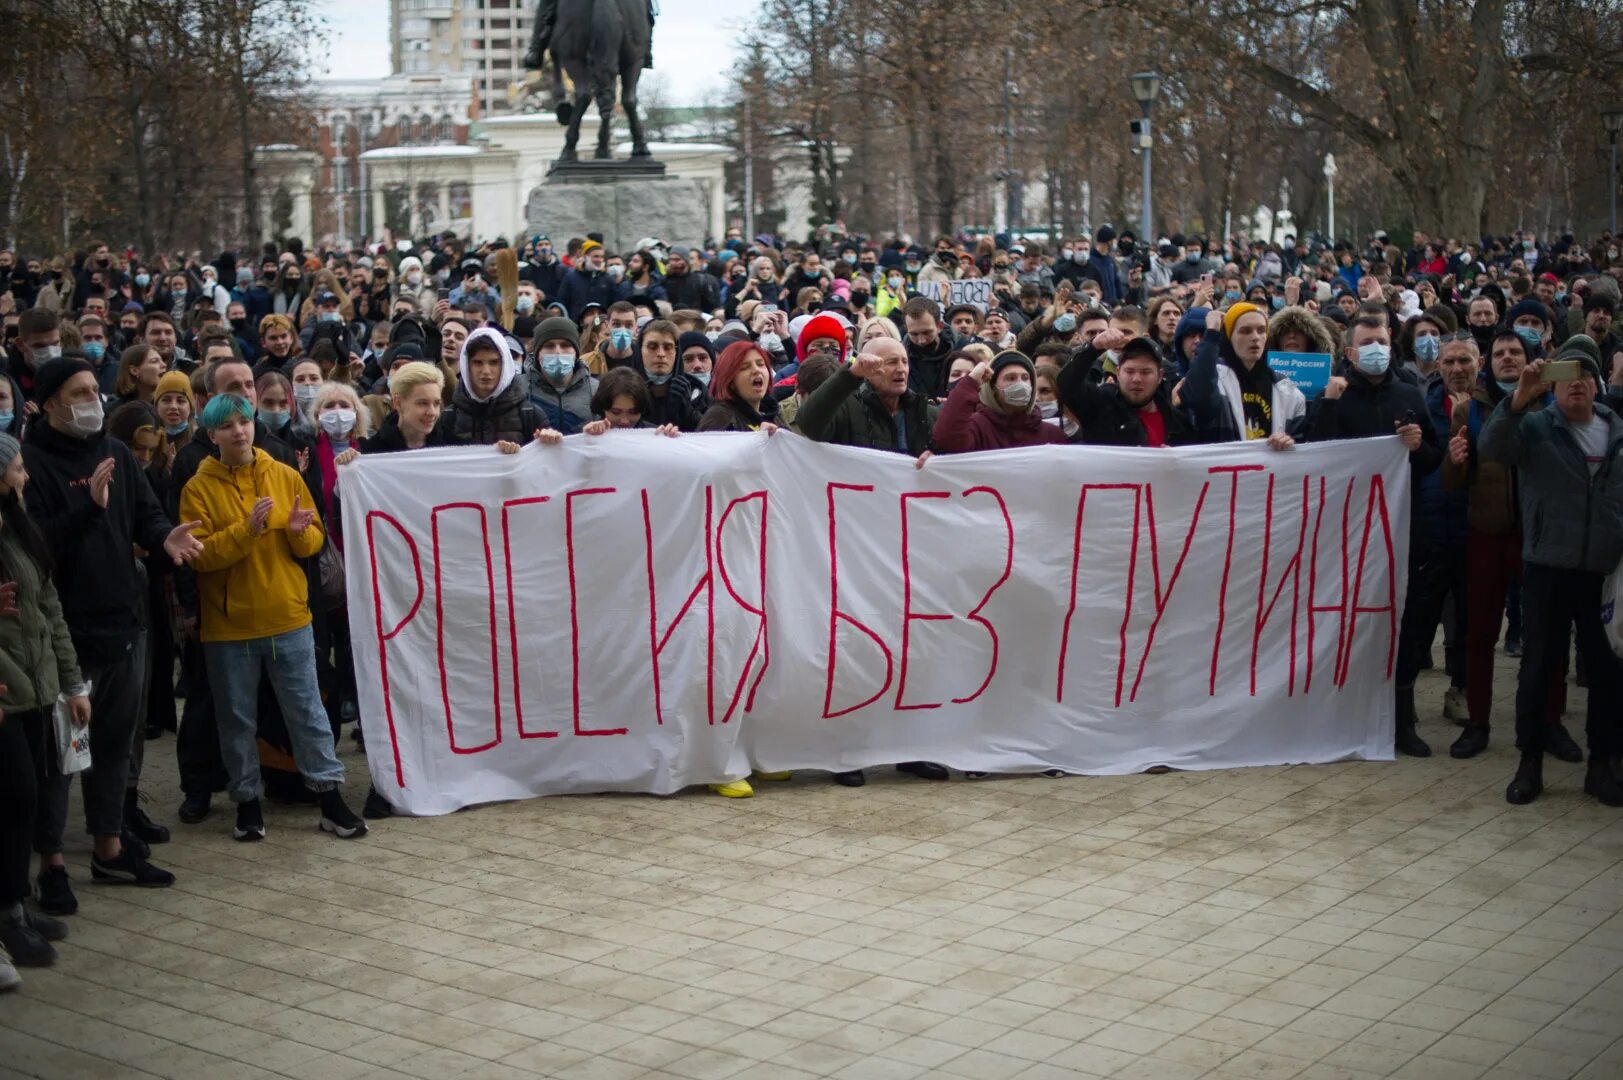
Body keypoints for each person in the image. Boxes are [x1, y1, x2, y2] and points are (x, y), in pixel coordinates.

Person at [23, 357, 203, 899]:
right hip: (67, 640)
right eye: (77, 393)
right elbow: (35, 547)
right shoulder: (31, 464)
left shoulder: (118, 453)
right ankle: (52, 862)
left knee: (115, 745)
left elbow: (146, 516)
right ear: (51, 403)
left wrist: (164, 540)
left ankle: (109, 850)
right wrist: (88, 507)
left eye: (92, 391)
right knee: (63, 754)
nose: (91, 401)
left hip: (126, 622)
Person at [179, 393, 367, 841]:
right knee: (237, 718)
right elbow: (200, 557)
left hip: (288, 617)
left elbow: (313, 538)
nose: (239, 431)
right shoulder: (197, 488)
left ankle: (329, 797)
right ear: (212, 435)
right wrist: (248, 530)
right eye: (227, 426)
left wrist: (300, 535)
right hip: (229, 628)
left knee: (308, 713)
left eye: (244, 421)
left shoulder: (283, 474)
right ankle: (246, 801)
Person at [1479, 337, 1623, 806]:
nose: (1575, 383)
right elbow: (1492, 447)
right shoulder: (1537, 426)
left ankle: (1601, 764)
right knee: (1539, 668)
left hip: (1604, 571)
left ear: (1598, 385)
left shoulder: (1618, 432)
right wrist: (1519, 398)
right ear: (1553, 385)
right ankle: (1530, 762)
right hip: (1547, 567)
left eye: (1585, 374)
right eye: (1565, 376)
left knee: (1606, 672)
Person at [1308, 314, 1443, 757]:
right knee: (1346, 621)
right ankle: (1339, 717)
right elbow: (1317, 456)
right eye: (1366, 342)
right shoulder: (1335, 394)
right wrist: (1327, 404)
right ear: (1349, 352)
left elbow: (1431, 462)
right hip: (1346, 532)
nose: (1376, 349)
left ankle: (1402, 720)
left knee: (1401, 624)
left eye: (1382, 341)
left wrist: (1417, 444)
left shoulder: (1407, 394)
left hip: (1400, 529)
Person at [1440, 329, 1575, 760]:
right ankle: (1478, 722)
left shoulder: (1552, 403)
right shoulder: (1471, 409)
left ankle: (1550, 722)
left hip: (1539, 536)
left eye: (1515, 352)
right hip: (1487, 534)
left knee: (1547, 635)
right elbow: (1452, 482)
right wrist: (1454, 462)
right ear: (1487, 362)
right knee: (1479, 634)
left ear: (1529, 358)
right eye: (1499, 353)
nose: (1507, 359)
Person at [0, 432, 83, 970]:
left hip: (34, 689)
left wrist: (71, 683)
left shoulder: (18, 531)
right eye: (18, 467)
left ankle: (16, 904)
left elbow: (49, 607)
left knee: (24, 802)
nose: (25, 476)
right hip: (6, 695)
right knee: (14, 798)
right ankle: (7, 913)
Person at [1185, 301, 1308, 442]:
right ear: (1230, 337)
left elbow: (1300, 444)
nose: (1255, 337)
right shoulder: (1213, 377)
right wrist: (1212, 333)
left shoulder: (1286, 389)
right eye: (1245, 331)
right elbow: (1199, 399)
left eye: (1261, 330)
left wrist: (1289, 443)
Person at [1058, 332, 1204, 447]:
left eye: (1145, 372)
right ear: (1118, 372)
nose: (1136, 379)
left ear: (1160, 376)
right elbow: (1066, 385)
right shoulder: (1100, 405)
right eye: (1129, 371)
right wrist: (1092, 348)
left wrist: (1176, 461)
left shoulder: (1178, 422)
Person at [932, 349, 1069, 452]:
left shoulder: (1052, 435)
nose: (1020, 384)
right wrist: (971, 381)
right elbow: (947, 438)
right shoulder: (977, 427)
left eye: (1025, 378)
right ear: (993, 388)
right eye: (1011, 378)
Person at [445, 328, 542, 446]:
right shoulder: (449, 417)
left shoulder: (530, 414)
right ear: (467, 366)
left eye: (494, 362)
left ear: (504, 365)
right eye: (478, 363)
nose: (486, 371)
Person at [527, 317, 597, 434]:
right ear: (538, 353)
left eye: (565, 345)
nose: (558, 351)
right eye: (549, 346)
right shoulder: (519, 389)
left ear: (576, 353)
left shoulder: (595, 390)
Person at [364, 362, 454, 452]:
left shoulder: (455, 447)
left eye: (436, 403)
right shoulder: (370, 452)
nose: (432, 412)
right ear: (398, 403)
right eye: (423, 403)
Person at [698, 342, 779, 432]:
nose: (756, 370)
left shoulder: (774, 415)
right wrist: (758, 438)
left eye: (760, 364)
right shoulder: (719, 417)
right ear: (729, 379)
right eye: (745, 367)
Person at [642, 324, 707, 431]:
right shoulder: (624, 386)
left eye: (668, 347)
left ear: (677, 352)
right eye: (652, 347)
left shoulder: (697, 390)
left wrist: (688, 411)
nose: (661, 354)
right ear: (640, 349)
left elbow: (712, 434)